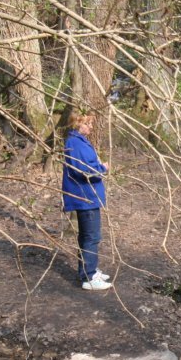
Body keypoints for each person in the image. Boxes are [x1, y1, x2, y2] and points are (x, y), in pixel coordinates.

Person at [61, 108, 111, 291]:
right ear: (77, 123)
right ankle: (89, 277)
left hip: (87, 196)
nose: (91, 127)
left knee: (87, 236)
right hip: (85, 197)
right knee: (91, 236)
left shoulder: (79, 142)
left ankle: (89, 270)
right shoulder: (75, 143)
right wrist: (102, 168)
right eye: (87, 123)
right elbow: (83, 170)